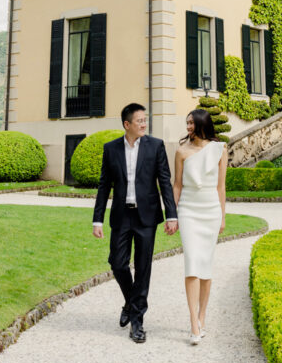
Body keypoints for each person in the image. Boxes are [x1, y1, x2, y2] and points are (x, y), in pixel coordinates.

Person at [92, 103, 178, 344]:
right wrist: (97, 218)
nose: (144, 124)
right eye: (139, 120)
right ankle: (131, 302)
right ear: (126, 124)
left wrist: (171, 214)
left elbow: (164, 180)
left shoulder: (156, 146)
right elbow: (104, 186)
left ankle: (137, 321)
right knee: (117, 263)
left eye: (145, 119)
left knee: (143, 267)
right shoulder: (111, 149)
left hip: (147, 216)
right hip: (121, 215)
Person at [172, 107, 227, 345]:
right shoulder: (181, 152)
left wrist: (223, 217)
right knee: (192, 263)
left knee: (206, 266)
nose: (188, 128)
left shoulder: (220, 149)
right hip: (188, 211)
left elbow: (221, 187)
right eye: (187, 123)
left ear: (202, 124)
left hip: (211, 211)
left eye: (191, 123)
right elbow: (177, 185)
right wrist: (172, 215)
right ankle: (194, 321)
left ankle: (203, 314)